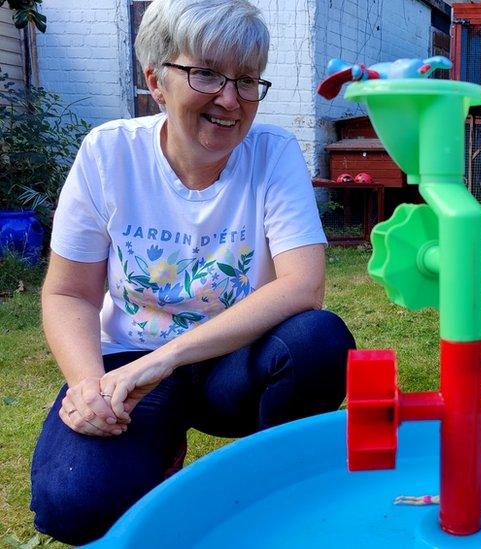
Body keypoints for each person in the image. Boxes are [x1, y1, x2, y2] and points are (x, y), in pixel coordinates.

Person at [29, 0, 356, 544]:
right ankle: (158, 454)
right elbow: (69, 294)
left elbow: (304, 285)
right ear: (156, 80)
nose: (230, 100)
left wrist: (165, 360)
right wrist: (90, 389)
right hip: (127, 366)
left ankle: (270, 494)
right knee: (73, 505)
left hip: (231, 364)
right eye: (206, 73)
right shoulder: (109, 154)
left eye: (247, 80)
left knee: (318, 341)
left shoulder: (272, 154)